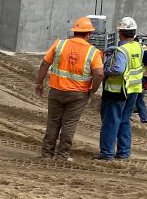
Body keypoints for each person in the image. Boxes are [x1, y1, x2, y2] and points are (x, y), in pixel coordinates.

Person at [36, 17, 104, 162]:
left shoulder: (59, 44)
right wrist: (92, 91)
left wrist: (39, 83)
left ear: (74, 31)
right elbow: (99, 74)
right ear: (89, 34)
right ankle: (62, 156)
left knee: (53, 122)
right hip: (78, 95)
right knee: (69, 124)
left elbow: (44, 64)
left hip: (56, 90)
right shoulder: (93, 52)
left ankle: (47, 154)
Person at [97, 17, 147, 161]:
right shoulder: (138, 47)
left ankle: (107, 153)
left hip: (118, 91)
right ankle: (123, 152)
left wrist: (104, 70)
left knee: (111, 122)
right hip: (133, 90)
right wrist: (114, 50)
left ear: (120, 33)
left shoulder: (121, 51)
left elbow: (118, 69)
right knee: (124, 121)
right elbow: (129, 55)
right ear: (134, 32)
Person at [133, 41, 147, 125]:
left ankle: (134, 114)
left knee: (133, 97)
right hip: (141, 77)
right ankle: (144, 118)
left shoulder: (145, 52)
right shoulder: (139, 49)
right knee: (138, 99)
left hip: (144, 78)